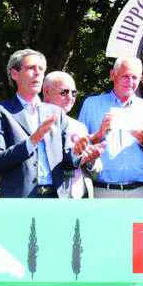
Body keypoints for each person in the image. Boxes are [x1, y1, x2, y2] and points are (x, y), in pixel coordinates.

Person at [0, 49, 97, 198]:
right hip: (20, 200)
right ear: (14, 74)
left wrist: (77, 152)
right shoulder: (1, 112)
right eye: (31, 68)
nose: (37, 73)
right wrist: (31, 141)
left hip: (55, 198)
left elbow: (66, 163)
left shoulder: (55, 112)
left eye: (41, 69)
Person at [79, 56, 143, 197]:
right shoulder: (91, 105)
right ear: (113, 75)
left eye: (134, 77)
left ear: (141, 79)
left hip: (140, 192)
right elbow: (78, 151)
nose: (130, 82)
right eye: (125, 76)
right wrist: (99, 134)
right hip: (102, 191)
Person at [41, 70, 103, 198]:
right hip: (51, 199)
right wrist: (79, 158)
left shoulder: (79, 127)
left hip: (82, 201)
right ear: (46, 92)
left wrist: (92, 159)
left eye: (74, 93)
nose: (70, 97)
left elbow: (96, 172)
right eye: (64, 92)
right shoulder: (37, 125)